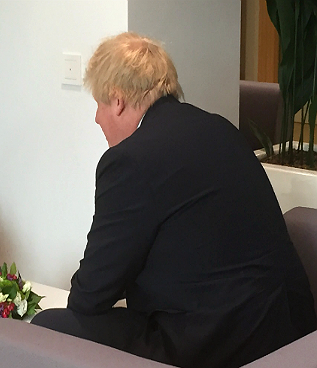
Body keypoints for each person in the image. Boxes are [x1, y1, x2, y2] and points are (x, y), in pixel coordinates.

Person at [31, 32, 316, 368]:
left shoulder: (130, 161)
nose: (97, 118)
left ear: (118, 100)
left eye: (99, 104)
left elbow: (91, 294)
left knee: (47, 329)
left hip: (214, 343)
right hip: (286, 329)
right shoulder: (220, 128)